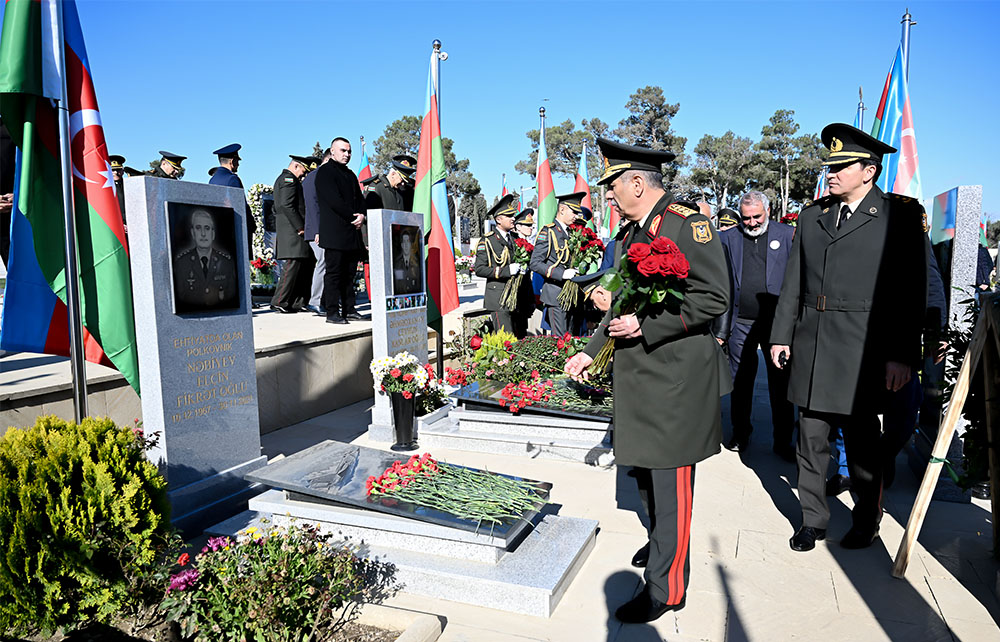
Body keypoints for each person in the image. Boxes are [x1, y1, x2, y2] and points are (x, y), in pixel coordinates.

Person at [565, 138, 730, 622]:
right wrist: (590, 353)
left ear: (638, 182)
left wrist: (648, 325)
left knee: (671, 483)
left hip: (675, 377)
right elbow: (621, 306)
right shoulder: (630, 234)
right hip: (640, 377)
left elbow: (713, 296)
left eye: (613, 186)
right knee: (646, 479)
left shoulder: (687, 224)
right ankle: (662, 548)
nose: (609, 196)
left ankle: (666, 588)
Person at [770, 123, 926, 553]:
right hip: (814, 344)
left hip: (865, 352)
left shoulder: (900, 216)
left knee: (862, 448)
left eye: (841, 166)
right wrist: (781, 335)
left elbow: (911, 295)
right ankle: (813, 520)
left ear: (869, 171)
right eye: (829, 166)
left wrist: (902, 357)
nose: (831, 174)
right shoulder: (812, 216)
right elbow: (793, 284)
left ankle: (866, 519)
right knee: (811, 440)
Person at [718, 190, 796, 461]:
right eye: (745, 217)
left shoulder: (787, 236)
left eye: (756, 217)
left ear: (768, 211)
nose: (750, 223)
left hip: (777, 324)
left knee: (781, 384)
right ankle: (741, 432)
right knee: (741, 380)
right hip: (741, 322)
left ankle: (783, 440)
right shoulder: (727, 238)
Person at [315, 137, 366, 324]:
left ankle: (349, 309)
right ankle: (332, 312)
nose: (347, 154)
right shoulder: (325, 173)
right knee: (334, 274)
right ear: (332, 151)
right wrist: (354, 217)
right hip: (335, 233)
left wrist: (362, 214)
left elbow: (359, 199)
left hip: (351, 233)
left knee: (350, 275)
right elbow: (333, 200)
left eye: (349, 151)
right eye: (343, 150)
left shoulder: (350, 174)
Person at [530, 192, 588, 336]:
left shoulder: (572, 232)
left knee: (572, 339)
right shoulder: (548, 232)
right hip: (556, 294)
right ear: (562, 210)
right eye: (574, 212)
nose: (576, 216)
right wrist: (561, 274)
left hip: (573, 295)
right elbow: (535, 263)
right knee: (561, 341)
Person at [269, 155, 315, 313]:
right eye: (303, 170)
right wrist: (300, 227)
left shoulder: (289, 180)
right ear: (296, 166)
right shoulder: (288, 180)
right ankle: (279, 301)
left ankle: (296, 301)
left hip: (294, 230)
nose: (303, 174)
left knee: (301, 266)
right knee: (291, 266)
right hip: (292, 231)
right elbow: (287, 205)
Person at [474, 194, 522, 336]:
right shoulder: (488, 241)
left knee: (517, 337)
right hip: (498, 297)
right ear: (499, 219)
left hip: (515, 297)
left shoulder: (514, 238)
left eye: (513, 215)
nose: (513, 218)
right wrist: (506, 270)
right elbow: (480, 269)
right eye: (509, 216)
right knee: (505, 339)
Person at [172, 208, 237, 311]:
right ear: (193, 233)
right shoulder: (182, 263)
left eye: (207, 228)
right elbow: (181, 297)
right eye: (198, 228)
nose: (203, 234)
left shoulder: (226, 263)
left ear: (213, 234)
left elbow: (231, 296)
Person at [209, 143, 256, 255]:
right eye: (237, 161)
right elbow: (240, 207)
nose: (238, 164)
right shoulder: (232, 179)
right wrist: (251, 225)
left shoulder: (212, 180)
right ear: (232, 161)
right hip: (234, 232)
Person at [302, 148, 332, 315]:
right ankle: (315, 301)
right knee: (323, 263)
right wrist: (318, 231)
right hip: (317, 230)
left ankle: (325, 300)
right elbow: (313, 207)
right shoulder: (314, 177)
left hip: (324, 229)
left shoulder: (323, 176)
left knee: (327, 264)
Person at [392, 228, 422, 294]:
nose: (405, 245)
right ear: (401, 245)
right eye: (404, 242)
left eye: (407, 241)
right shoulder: (397, 263)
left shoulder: (417, 263)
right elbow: (398, 284)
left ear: (411, 244)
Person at [109, 154, 128, 231]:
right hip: (114, 227)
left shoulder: (128, 185)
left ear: (123, 171)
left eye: (118, 170)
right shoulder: (107, 188)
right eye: (113, 170)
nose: (116, 173)